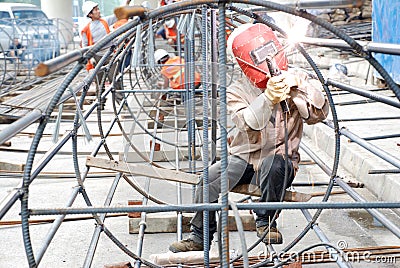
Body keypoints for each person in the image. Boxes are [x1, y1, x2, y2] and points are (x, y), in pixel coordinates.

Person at [168, 23, 329, 252]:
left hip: (278, 157)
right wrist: (267, 98)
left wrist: (298, 87)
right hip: (244, 158)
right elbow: (248, 122)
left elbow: (318, 114)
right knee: (208, 180)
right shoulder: (236, 90)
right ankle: (199, 236)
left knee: (274, 167)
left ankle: (266, 221)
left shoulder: (295, 77)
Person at [80, 0, 131, 105]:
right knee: (99, 82)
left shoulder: (105, 21)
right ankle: (100, 103)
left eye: (98, 9)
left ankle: (121, 103)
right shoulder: (86, 29)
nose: (98, 11)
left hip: (109, 55)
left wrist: (126, 3)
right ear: (90, 14)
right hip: (97, 57)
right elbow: (85, 47)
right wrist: (90, 60)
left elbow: (118, 15)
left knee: (115, 79)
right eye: (96, 10)